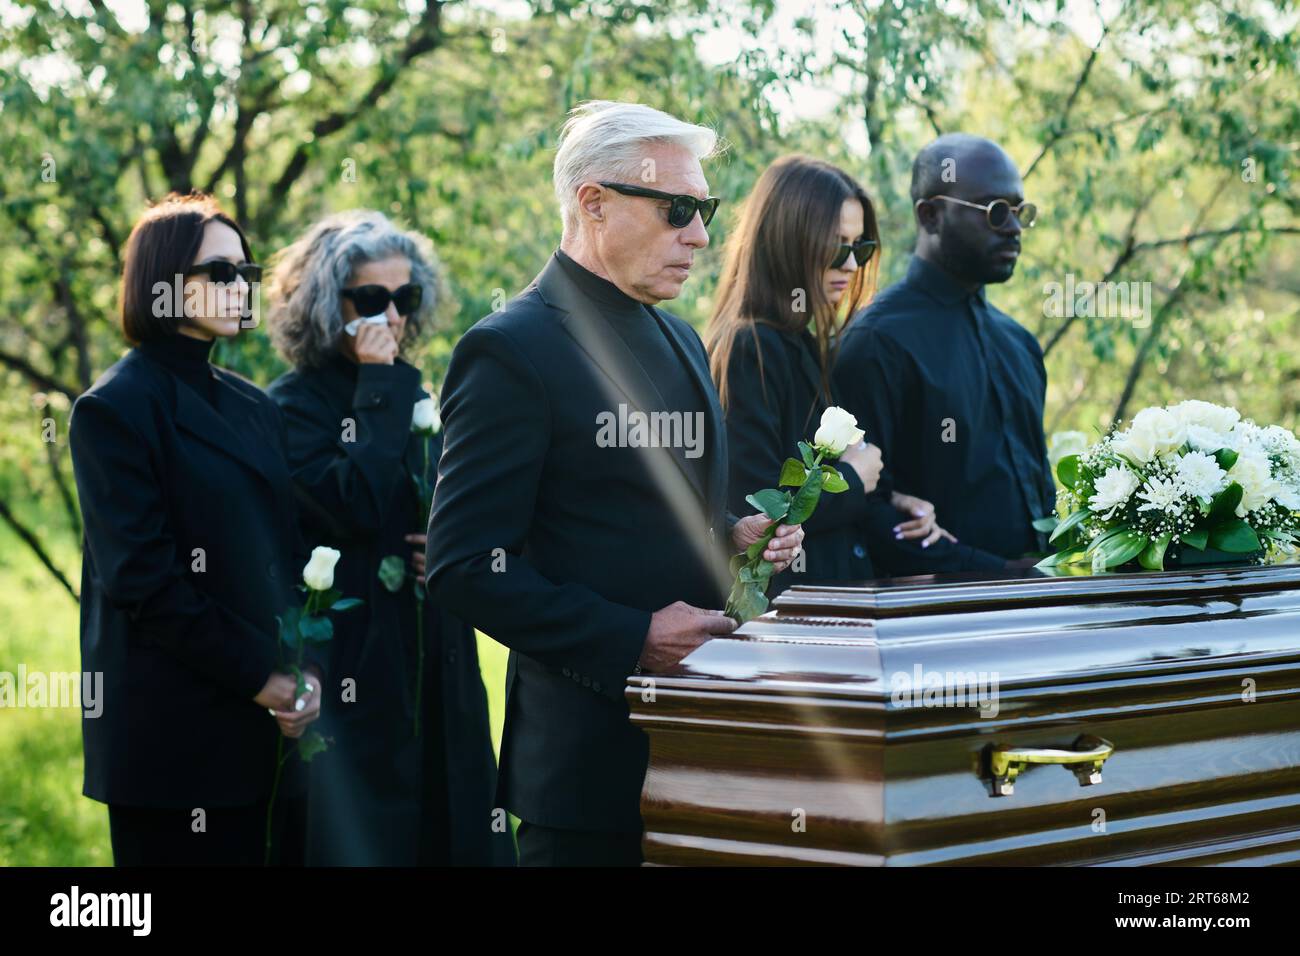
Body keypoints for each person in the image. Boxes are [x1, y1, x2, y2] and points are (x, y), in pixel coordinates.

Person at [425, 101, 804, 866]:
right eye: (677, 210)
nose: (700, 234)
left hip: (707, 752)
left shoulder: (680, 338)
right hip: (586, 776)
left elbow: (655, 510)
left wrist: (730, 536)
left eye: (706, 210)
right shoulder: (510, 349)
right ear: (593, 203)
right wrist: (630, 639)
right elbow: (464, 566)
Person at [69, 192, 319, 866]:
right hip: (172, 740)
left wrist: (303, 669)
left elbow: (287, 555)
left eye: (246, 270)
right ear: (163, 281)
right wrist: (258, 677)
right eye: (220, 272)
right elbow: (144, 583)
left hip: (268, 731)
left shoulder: (253, 406)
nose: (241, 286)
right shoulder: (114, 410)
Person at [265, 210, 512, 866]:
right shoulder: (292, 405)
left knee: (454, 820)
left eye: (406, 298)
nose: (393, 317)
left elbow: (440, 503)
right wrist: (378, 388)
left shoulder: (414, 393)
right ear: (325, 304)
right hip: (355, 664)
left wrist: (452, 546)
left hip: (435, 654)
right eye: (372, 299)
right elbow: (354, 507)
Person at [707, 154, 979, 594]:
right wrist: (854, 481)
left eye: (860, 248)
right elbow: (754, 510)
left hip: (836, 609)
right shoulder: (749, 348)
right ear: (786, 242)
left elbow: (810, 485)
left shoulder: (802, 344)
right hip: (790, 624)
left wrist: (888, 499)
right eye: (836, 247)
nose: (851, 266)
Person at [834, 134, 1055, 567]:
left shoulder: (1020, 344)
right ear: (931, 216)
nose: (1013, 228)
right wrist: (1000, 576)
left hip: (1046, 605)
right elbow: (866, 510)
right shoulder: (876, 341)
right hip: (932, 619)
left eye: (1019, 212)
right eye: (995, 212)